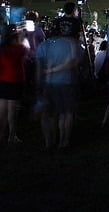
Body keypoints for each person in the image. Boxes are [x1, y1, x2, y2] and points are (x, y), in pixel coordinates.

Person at [36, 16, 82, 149]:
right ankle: (64, 141)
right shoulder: (73, 44)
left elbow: (39, 68)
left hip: (48, 83)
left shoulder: (44, 45)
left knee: (48, 114)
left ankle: (49, 142)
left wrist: (38, 83)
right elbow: (77, 63)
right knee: (66, 113)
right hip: (67, 82)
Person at [0, 24, 27, 144]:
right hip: (14, 81)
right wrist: (22, 37)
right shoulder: (18, 48)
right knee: (12, 109)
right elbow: (25, 50)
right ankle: (11, 135)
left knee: (0, 108)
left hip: (0, 80)